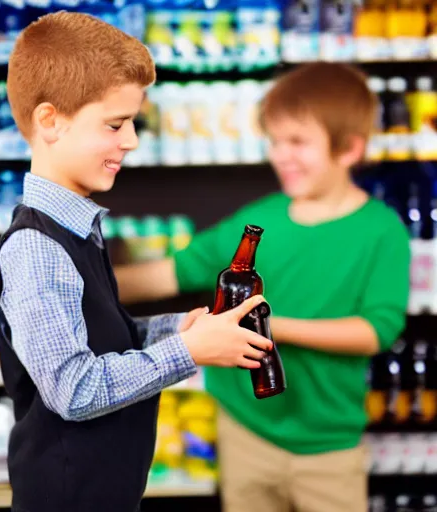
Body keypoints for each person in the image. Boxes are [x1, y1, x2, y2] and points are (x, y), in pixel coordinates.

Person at [0, 12, 272, 512]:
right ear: (50, 121)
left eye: (133, 123)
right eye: (116, 124)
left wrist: (177, 330)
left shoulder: (81, 228)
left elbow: (105, 338)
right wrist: (188, 353)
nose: (132, 140)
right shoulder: (36, 248)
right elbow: (74, 390)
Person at [115, 62, 411, 512]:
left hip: (329, 446)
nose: (280, 155)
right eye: (274, 141)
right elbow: (170, 273)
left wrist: (267, 326)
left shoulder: (382, 231)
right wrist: (80, 282)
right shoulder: (260, 220)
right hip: (246, 430)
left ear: (349, 148)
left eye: (297, 142)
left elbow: (377, 331)